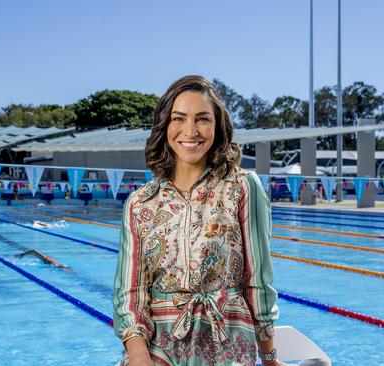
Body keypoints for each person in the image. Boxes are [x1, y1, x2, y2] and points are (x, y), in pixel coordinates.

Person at [113, 76, 283, 366]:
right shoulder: (140, 203)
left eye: (202, 119)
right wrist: (139, 357)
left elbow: (258, 280)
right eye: (179, 118)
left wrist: (269, 358)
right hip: (159, 348)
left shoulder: (242, 187)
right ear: (165, 125)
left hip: (229, 343)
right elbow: (131, 293)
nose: (190, 131)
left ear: (218, 127)